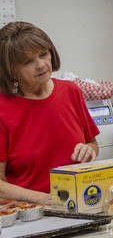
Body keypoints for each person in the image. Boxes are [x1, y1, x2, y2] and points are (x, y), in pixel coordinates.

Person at [0, 22, 99, 204]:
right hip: (29, 210)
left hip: (78, 201)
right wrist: (47, 200)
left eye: (43, 54)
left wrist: (89, 150)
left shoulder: (71, 91)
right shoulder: (2, 108)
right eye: (28, 62)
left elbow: (91, 142)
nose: (41, 65)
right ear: (10, 69)